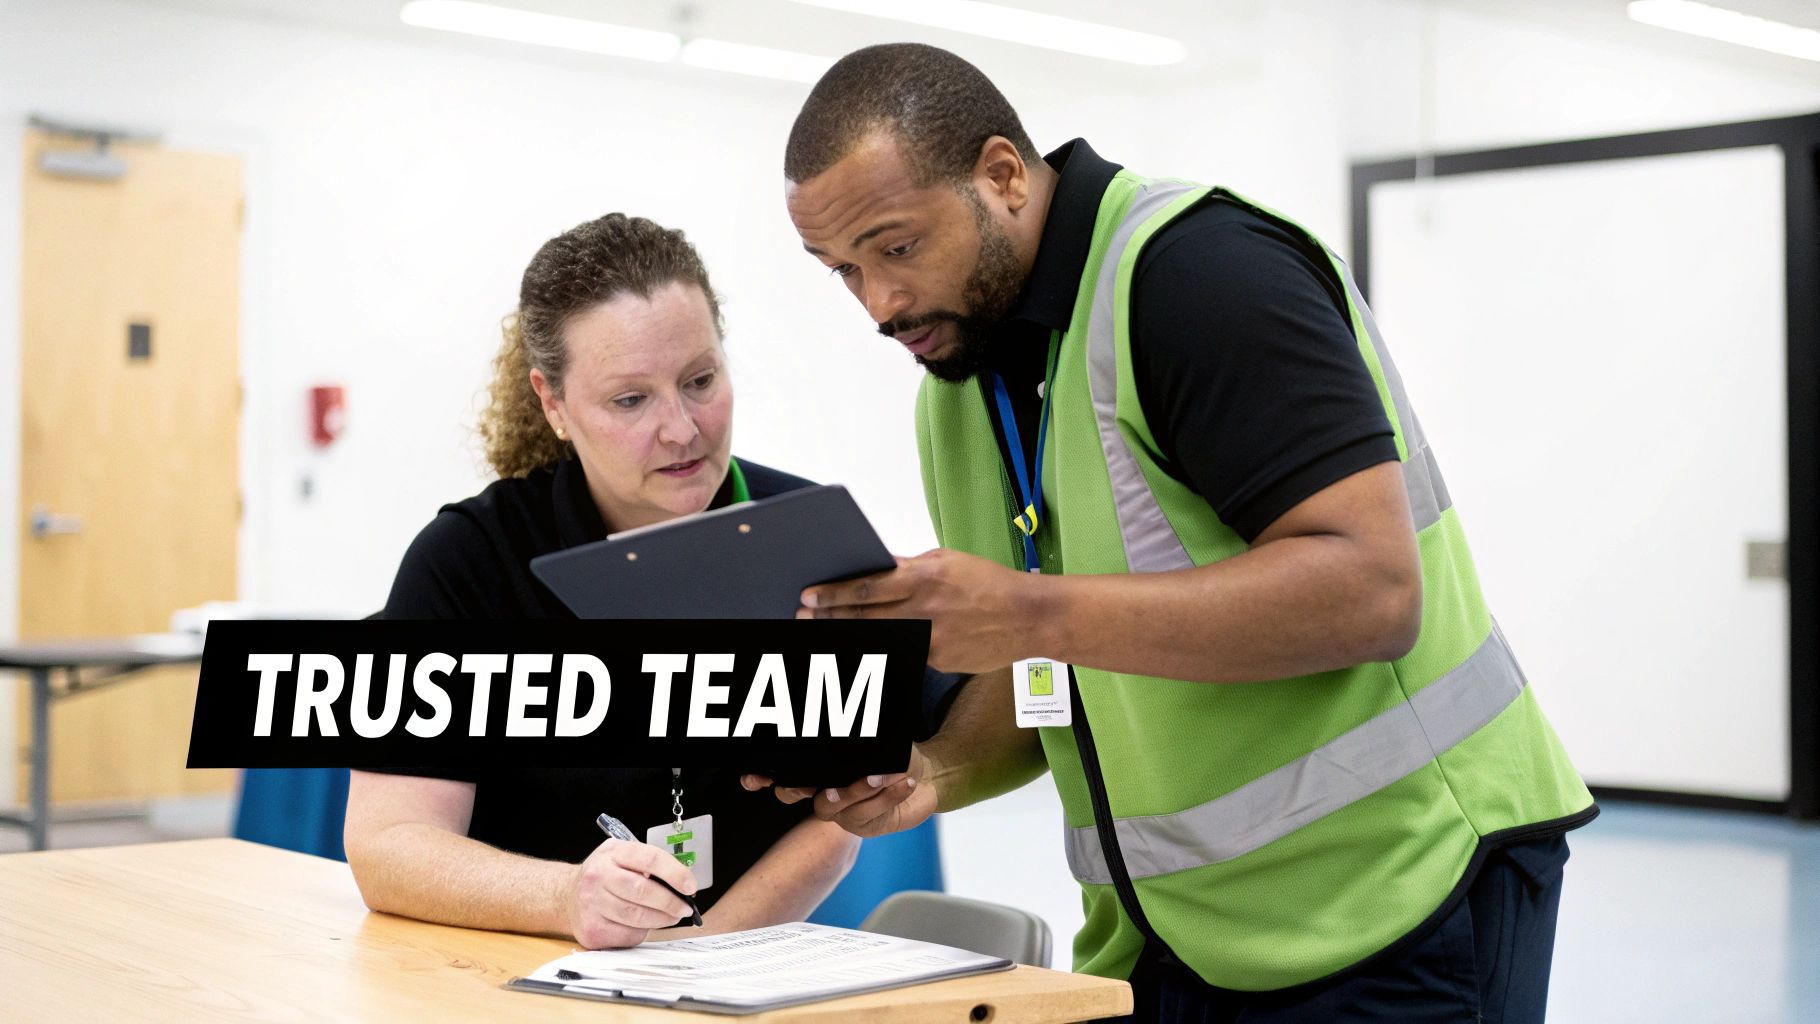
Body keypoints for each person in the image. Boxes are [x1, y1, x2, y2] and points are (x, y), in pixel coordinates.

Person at [751, 44, 1598, 1022]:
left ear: (1003, 175)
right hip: (1172, 936)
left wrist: (1027, 611)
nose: (878, 303)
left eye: (896, 248)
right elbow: (1053, 670)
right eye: (842, 270)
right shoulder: (960, 386)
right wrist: (931, 770)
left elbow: (1372, 592)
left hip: (1401, 890)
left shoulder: (1199, 276)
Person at [344, 213, 872, 950]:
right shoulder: (468, 561)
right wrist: (568, 899)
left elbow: (839, 817)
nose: (682, 429)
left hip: (746, 966)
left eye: (700, 381)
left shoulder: (813, 537)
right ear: (553, 403)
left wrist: (699, 957)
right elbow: (389, 842)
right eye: (630, 400)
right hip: (517, 973)